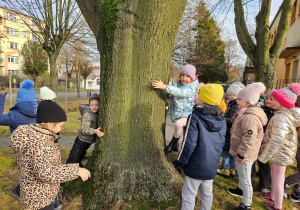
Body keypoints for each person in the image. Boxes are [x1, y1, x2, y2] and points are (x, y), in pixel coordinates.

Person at [11, 100, 91, 210]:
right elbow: (46, 173)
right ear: (49, 123)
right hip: (40, 200)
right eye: (60, 125)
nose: (60, 129)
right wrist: (75, 170)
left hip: (32, 195)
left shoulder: (32, 136)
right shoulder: (42, 145)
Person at [177, 84, 226, 210]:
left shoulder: (194, 117)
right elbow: (221, 142)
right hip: (212, 164)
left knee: (189, 193)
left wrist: (181, 161)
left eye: (198, 92)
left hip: (195, 164)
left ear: (203, 98)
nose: (196, 95)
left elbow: (189, 142)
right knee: (207, 193)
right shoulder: (222, 118)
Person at [258, 83, 300, 210]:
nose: (271, 101)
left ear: (283, 102)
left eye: (275, 99)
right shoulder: (284, 115)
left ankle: (277, 205)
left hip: (281, 153)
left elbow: (276, 140)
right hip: (282, 152)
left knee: (278, 178)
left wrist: (264, 156)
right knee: (274, 173)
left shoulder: (281, 117)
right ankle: (274, 196)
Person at [227, 82, 267, 210]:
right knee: (241, 174)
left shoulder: (250, 117)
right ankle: (240, 190)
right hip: (242, 151)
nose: (237, 101)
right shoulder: (244, 112)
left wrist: (241, 153)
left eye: (239, 99)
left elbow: (249, 138)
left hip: (245, 154)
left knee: (246, 179)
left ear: (248, 101)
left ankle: (246, 204)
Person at [152, 64, 199, 157]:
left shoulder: (191, 88)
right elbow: (175, 91)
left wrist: (165, 87)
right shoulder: (178, 84)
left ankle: (173, 141)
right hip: (179, 115)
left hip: (187, 115)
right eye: (183, 75)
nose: (184, 78)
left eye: (187, 76)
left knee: (178, 125)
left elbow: (180, 92)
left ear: (192, 78)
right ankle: (179, 158)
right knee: (180, 140)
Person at [66, 93, 104, 166]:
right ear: (89, 105)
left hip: (87, 142)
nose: (94, 107)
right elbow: (83, 129)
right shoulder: (87, 114)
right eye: (92, 105)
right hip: (81, 141)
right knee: (73, 160)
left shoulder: (97, 113)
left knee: (80, 157)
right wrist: (94, 131)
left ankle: (79, 170)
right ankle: (66, 174)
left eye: (97, 105)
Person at [217, 82, 245, 178]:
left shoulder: (234, 105)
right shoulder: (234, 104)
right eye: (228, 94)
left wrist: (222, 119)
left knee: (226, 150)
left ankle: (226, 168)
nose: (228, 96)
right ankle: (232, 168)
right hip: (232, 132)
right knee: (232, 150)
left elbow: (232, 119)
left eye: (230, 95)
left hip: (229, 131)